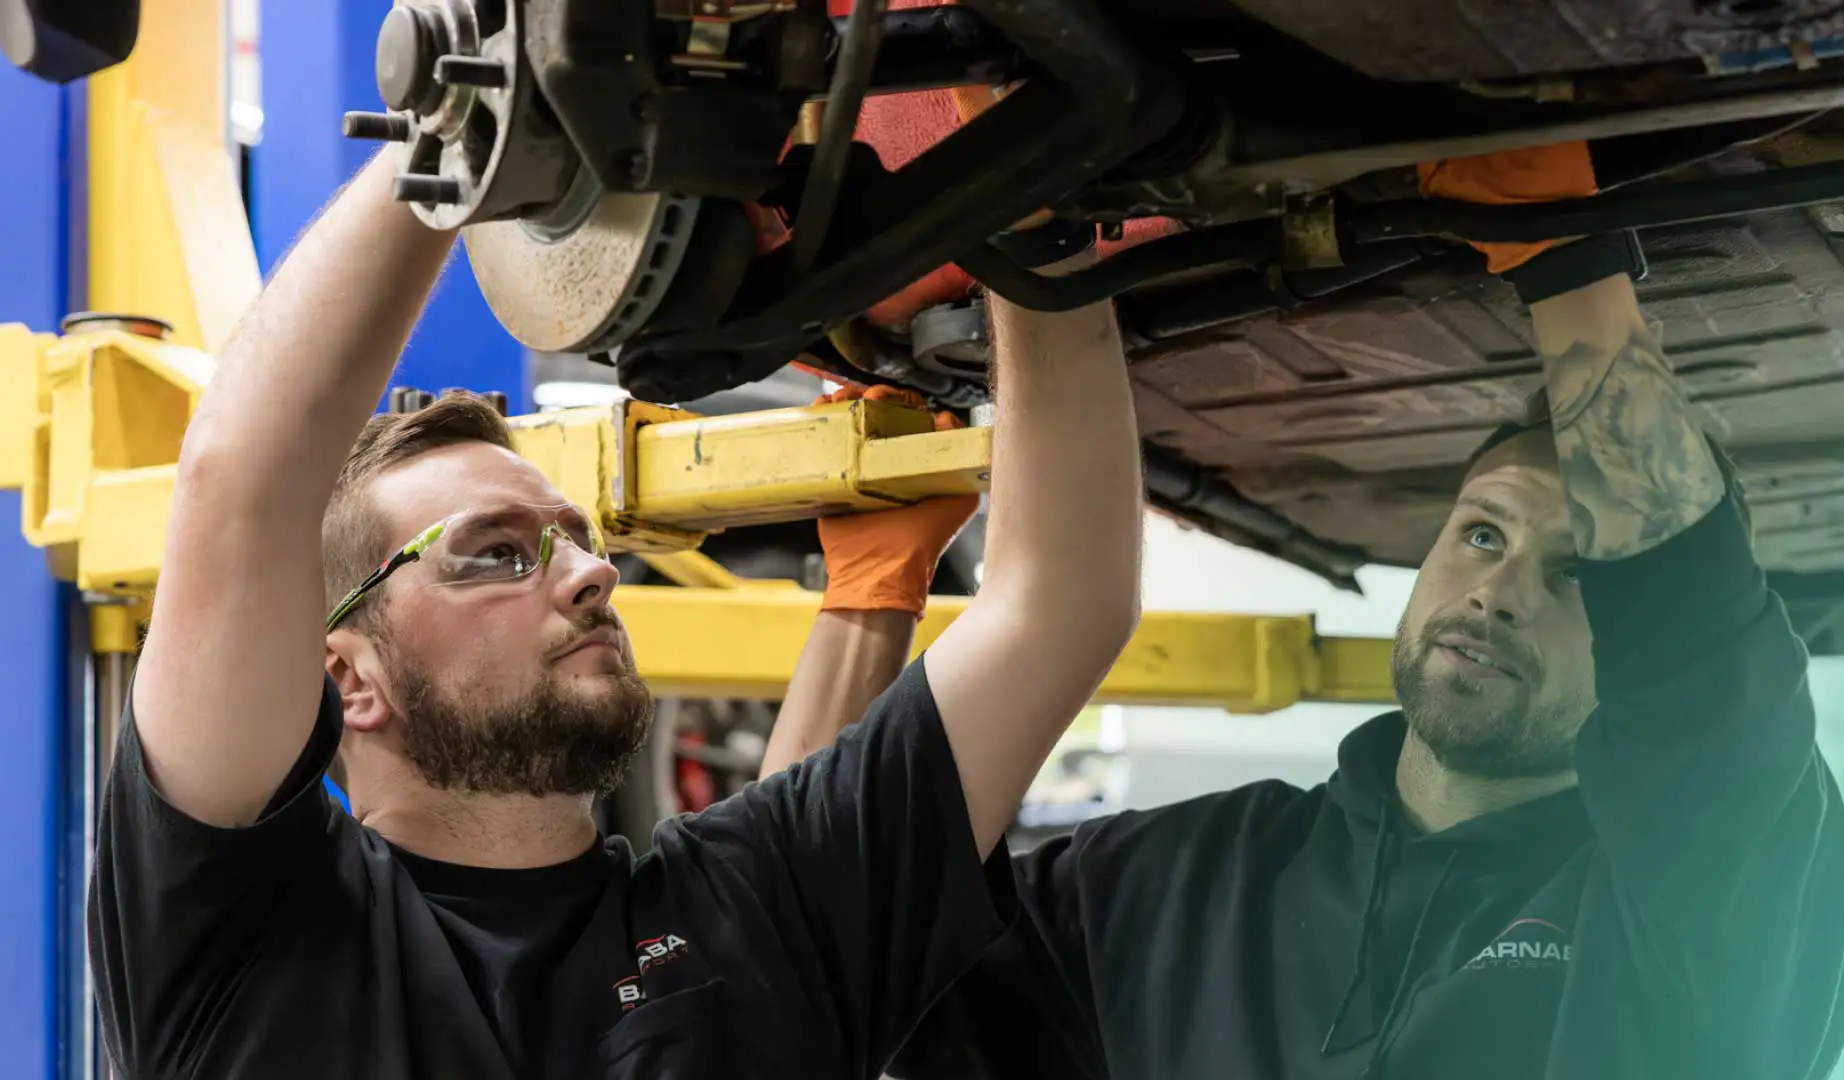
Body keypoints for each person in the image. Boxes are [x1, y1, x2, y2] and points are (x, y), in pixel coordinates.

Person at [765, 143, 1844, 1080]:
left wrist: (1567, 259)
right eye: (1482, 533)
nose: (1496, 591)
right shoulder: (1196, 883)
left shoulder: (1700, 911)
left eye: (1578, 572)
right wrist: (868, 599)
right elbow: (808, 938)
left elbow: (1700, 646)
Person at [86, 144, 1144, 1080]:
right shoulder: (246, 934)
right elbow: (240, 483)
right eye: (496, 555)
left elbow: (1059, 606)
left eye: (581, 541)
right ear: (349, 676)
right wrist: (470, 120)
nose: (592, 576)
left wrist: (1031, 213)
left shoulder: (752, 908)